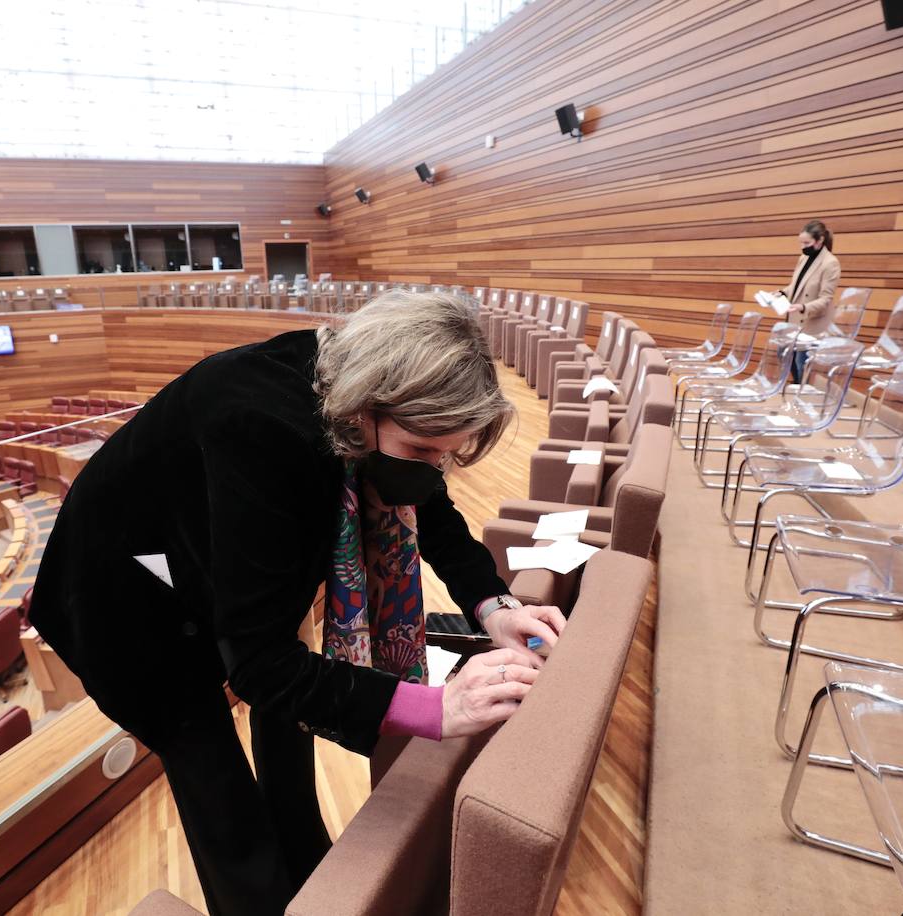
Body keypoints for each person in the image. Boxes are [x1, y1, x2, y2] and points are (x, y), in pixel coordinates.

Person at [30, 290, 565, 915]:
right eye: (422, 449)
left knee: (287, 726)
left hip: (207, 559)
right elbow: (256, 666)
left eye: (445, 454)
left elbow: (427, 503)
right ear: (365, 411)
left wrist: (493, 605)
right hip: (119, 599)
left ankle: (312, 874)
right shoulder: (260, 427)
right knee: (215, 779)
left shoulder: (357, 386)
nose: (432, 467)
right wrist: (436, 707)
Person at [774, 219, 840, 383]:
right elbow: (797, 286)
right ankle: (797, 387)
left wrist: (803, 306)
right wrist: (782, 292)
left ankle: (800, 394)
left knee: (801, 364)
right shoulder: (803, 258)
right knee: (783, 354)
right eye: (801, 243)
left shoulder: (830, 263)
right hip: (795, 319)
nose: (803, 247)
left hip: (812, 321)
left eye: (807, 242)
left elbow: (826, 299)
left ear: (820, 240)